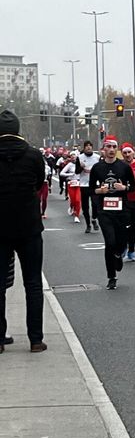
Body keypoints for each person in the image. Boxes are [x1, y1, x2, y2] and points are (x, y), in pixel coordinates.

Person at [0, 110, 48, 353]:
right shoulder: (33, 155)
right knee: (33, 283)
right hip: (29, 226)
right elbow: (39, 183)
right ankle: (36, 339)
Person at [90, 136, 135, 290]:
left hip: (122, 210)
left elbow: (133, 187)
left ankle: (118, 255)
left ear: (117, 149)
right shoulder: (97, 168)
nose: (111, 150)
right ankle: (112, 277)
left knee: (121, 242)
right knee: (109, 242)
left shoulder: (124, 167)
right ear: (103, 149)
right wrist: (99, 190)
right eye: (108, 147)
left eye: (114, 147)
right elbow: (91, 189)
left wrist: (124, 188)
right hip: (104, 211)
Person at [76, 140, 100, 233]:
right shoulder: (80, 157)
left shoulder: (97, 157)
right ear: (84, 148)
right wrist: (81, 167)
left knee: (95, 204)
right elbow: (77, 172)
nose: (88, 147)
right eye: (87, 146)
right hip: (84, 184)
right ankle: (88, 225)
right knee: (85, 206)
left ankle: (94, 218)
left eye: (90, 146)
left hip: (95, 184)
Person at [60, 151, 82, 223]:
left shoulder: (81, 164)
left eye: (74, 157)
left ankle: (77, 215)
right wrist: (70, 174)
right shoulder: (69, 165)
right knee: (73, 200)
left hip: (79, 183)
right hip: (71, 183)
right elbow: (61, 173)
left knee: (78, 200)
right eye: (72, 157)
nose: (73, 159)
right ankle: (72, 206)